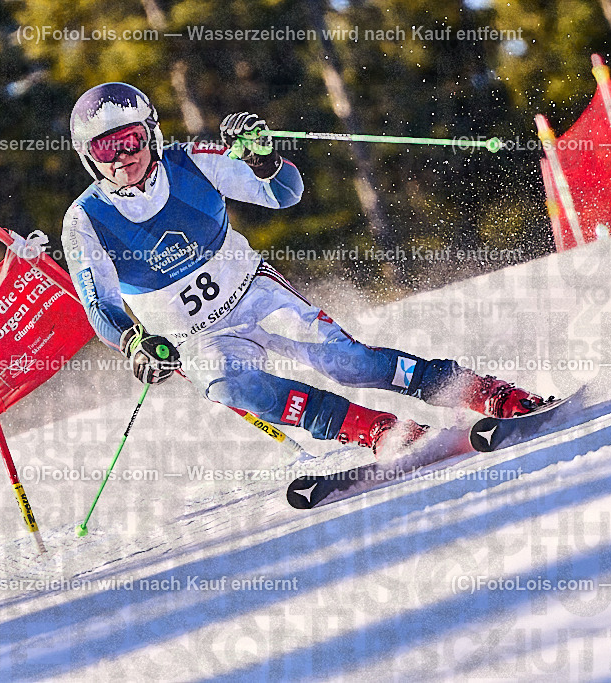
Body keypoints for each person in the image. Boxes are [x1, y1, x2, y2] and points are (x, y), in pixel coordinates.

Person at [61, 82, 543, 454]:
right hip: (196, 340)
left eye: (131, 139)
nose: (124, 157)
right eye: (107, 148)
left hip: (254, 295)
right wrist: (134, 341)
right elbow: (98, 305)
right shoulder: (85, 220)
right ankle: (379, 431)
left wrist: (266, 162)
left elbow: (284, 194)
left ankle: (486, 393)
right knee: (234, 387)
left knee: (352, 363)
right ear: (88, 158)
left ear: (152, 133)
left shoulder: (191, 163)